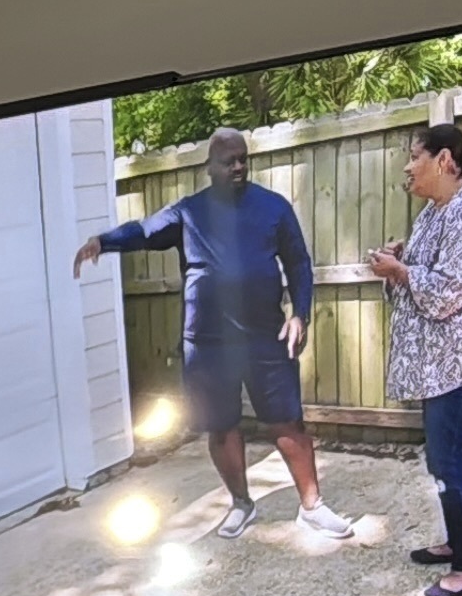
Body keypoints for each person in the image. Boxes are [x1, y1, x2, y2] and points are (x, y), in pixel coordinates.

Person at [76, 129, 352, 543]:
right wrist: (104, 241)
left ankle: (312, 507)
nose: (238, 167)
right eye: (229, 161)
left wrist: (301, 316)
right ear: (210, 166)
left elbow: (298, 263)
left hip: (264, 336)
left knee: (287, 422)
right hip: (206, 342)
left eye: (243, 159)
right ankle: (241, 503)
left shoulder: (273, 208)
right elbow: (146, 231)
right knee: (221, 427)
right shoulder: (189, 212)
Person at [369, 122, 462, 596]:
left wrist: (403, 271)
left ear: (443, 161)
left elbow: (448, 292)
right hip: (441, 361)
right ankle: (458, 542)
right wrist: (401, 262)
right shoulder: (441, 208)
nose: (406, 166)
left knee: (447, 459)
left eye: (414, 156)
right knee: (444, 458)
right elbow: (426, 272)